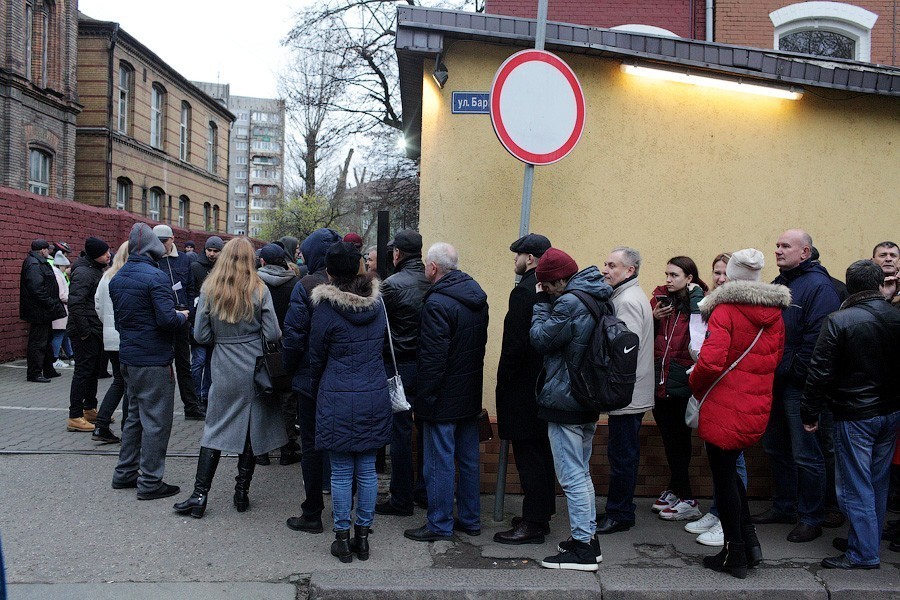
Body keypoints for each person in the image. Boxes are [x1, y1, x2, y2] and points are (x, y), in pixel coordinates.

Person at [690, 249, 789, 579]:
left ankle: (734, 556)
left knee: (724, 478)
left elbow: (711, 362)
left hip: (723, 405)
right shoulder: (774, 313)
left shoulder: (725, 309)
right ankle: (749, 543)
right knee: (731, 474)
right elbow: (773, 360)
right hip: (754, 405)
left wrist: (693, 381)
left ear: (731, 276)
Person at [174, 237, 287, 518]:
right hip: (253, 367)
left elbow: (200, 335)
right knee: (250, 428)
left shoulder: (210, 288)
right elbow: (272, 333)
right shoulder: (259, 289)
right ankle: (241, 493)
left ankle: (199, 496)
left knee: (214, 427)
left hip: (223, 365)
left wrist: (221, 339)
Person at [802, 259, 900, 569]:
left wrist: (809, 411)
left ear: (849, 284)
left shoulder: (840, 320)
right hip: (890, 412)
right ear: (875, 283)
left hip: (855, 414)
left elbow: (819, 371)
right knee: (877, 482)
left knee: (855, 486)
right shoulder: (896, 316)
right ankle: (864, 540)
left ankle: (863, 552)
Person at [754, 229, 840, 543]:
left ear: (805, 252)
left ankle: (811, 517)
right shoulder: (779, 284)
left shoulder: (819, 286)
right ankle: (784, 506)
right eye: (776, 245)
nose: (777, 250)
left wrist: (793, 373)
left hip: (798, 386)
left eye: (785, 246)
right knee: (776, 448)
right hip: (773, 381)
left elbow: (818, 341)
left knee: (807, 454)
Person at [529, 248, 611, 571]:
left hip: (566, 400)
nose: (545, 290)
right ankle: (589, 539)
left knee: (572, 476)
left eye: (547, 285)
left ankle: (582, 550)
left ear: (561, 279)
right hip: (588, 398)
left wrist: (539, 307)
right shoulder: (598, 295)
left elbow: (540, 339)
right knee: (583, 472)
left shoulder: (568, 302)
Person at [308, 241, 391, 562]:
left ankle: (342, 539)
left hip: (336, 395)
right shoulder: (378, 305)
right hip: (373, 394)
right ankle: (363, 538)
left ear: (328, 272)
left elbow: (316, 356)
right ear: (359, 267)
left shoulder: (326, 309)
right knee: (368, 470)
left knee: (341, 474)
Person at [404, 243, 489, 543]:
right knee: (467, 460)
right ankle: (470, 519)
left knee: (438, 462)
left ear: (433, 268)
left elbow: (432, 359)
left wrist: (423, 400)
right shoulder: (476, 296)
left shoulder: (438, 303)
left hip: (442, 398)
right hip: (468, 395)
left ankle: (439, 524)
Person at [109, 223, 188, 500]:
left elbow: (121, 322)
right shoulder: (156, 278)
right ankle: (151, 482)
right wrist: (183, 317)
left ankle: (125, 473)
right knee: (156, 421)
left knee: (133, 418)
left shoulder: (118, 279)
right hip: (154, 360)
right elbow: (167, 320)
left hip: (129, 358)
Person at [493, 234, 556, 545]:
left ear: (529, 258)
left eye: (516, 255)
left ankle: (532, 523)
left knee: (530, 455)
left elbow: (514, 346)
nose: (514, 260)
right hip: (544, 386)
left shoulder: (524, 292)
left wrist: (502, 382)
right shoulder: (550, 287)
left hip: (524, 389)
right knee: (541, 452)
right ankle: (540, 515)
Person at [687, 253, 750, 546]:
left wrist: (696, 377)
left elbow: (716, 359)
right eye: (716, 272)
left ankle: (730, 525)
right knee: (721, 463)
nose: (720, 278)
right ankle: (718, 512)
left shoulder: (733, 309)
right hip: (717, 392)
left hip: (729, 391)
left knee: (732, 464)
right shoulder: (713, 304)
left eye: (725, 273)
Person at [285, 228, 343, 535]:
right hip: (344, 379)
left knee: (312, 445)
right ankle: (343, 514)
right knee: (343, 446)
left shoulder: (305, 285)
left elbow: (293, 337)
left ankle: (312, 512)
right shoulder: (353, 286)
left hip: (310, 380)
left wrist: (289, 369)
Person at [374, 230, 432, 517]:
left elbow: (379, 330)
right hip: (429, 365)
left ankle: (401, 497)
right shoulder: (434, 281)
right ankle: (423, 491)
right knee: (426, 429)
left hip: (398, 366)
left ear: (397, 254)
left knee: (400, 431)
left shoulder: (390, 286)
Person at [597, 246, 655, 535]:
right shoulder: (624, 295)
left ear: (629, 270)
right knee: (622, 453)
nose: (605, 270)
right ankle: (618, 509)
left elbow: (623, 350)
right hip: (629, 391)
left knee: (622, 456)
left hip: (627, 392)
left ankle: (620, 513)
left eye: (612, 265)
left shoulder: (628, 300)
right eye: (605, 264)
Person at [651, 256, 707, 521]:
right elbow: (645, 335)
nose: (668, 280)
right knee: (670, 439)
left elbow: (701, 330)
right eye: (667, 274)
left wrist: (696, 295)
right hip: (659, 380)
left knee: (679, 441)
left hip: (681, 380)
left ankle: (687, 498)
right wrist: (653, 318)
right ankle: (676, 489)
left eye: (674, 275)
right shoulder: (660, 301)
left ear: (689, 279)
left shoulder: (698, 304)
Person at [255, 243, 302, 466]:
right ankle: (288, 448)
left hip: (259, 347)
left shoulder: (254, 283)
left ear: (262, 261)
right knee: (287, 400)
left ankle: (261, 451)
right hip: (287, 346)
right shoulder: (294, 282)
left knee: (263, 396)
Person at [153, 225, 204, 420]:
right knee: (161, 365)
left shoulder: (184, 260)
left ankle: (191, 407)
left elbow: (190, 287)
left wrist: (189, 312)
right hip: (162, 319)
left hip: (182, 317)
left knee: (184, 364)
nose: (160, 245)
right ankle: (161, 409)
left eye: (163, 241)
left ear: (172, 239)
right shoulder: (153, 260)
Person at [66, 237, 111, 432]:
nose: (108, 255)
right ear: (94, 255)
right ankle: (75, 416)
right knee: (83, 372)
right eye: (104, 253)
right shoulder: (84, 273)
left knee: (92, 371)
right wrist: (85, 332)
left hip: (94, 329)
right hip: (84, 331)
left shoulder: (94, 269)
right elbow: (75, 304)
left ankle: (89, 408)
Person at [92, 241, 130, 444]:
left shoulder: (106, 277)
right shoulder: (127, 278)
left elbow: (98, 305)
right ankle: (126, 427)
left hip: (110, 336)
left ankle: (101, 424)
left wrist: (107, 324)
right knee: (129, 383)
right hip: (127, 337)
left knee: (119, 381)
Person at [20, 239, 66, 383]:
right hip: (39, 311)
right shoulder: (34, 264)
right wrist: (51, 303)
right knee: (38, 343)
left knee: (46, 342)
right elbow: (37, 289)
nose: (49, 251)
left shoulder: (38, 262)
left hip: (44, 311)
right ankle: (34, 373)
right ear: (42, 250)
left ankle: (48, 370)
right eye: (48, 249)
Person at [189, 236, 223, 409]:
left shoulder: (222, 270)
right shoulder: (196, 267)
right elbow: (190, 291)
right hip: (199, 320)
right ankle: (196, 395)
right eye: (209, 250)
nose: (211, 254)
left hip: (215, 322)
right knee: (198, 361)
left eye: (216, 251)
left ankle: (206, 395)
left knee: (210, 362)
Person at [50, 251, 72, 370]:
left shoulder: (55, 274)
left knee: (63, 335)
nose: (66, 269)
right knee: (59, 335)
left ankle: (70, 356)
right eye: (65, 267)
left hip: (60, 310)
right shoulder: (58, 275)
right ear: (60, 265)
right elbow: (62, 295)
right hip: (60, 310)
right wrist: (72, 299)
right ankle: (55, 359)